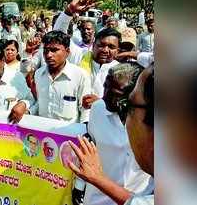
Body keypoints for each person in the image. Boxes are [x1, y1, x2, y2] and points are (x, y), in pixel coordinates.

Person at [66, 65, 154, 205]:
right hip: (97, 199)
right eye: (105, 87)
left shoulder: (151, 124)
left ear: (134, 95)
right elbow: (89, 151)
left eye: (114, 94)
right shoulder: (98, 109)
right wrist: (79, 186)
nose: (104, 97)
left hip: (140, 197)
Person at [30, 30, 91, 124]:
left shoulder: (80, 76)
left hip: (67, 134)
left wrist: (83, 132)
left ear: (67, 52)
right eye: (46, 50)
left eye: (54, 50)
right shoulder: (39, 74)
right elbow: (39, 102)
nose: (49, 55)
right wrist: (28, 111)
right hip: (42, 132)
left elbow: (85, 110)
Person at [79, 28, 121, 109]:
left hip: (104, 118)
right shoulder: (80, 57)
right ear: (93, 46)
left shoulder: (122, 72)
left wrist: (100, 103)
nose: (105, 50)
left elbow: (124, 103)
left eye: (111, 47)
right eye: (101, 45)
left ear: (117, 51)